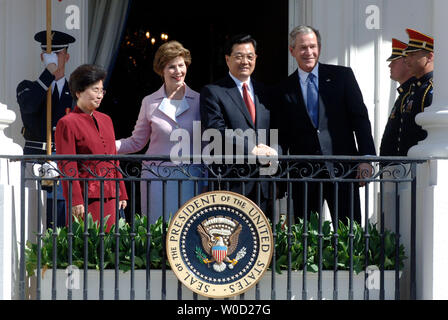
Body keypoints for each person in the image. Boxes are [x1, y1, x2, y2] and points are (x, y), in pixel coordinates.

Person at [273, 25, 376, 225]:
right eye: (303, 47)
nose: (309, 52)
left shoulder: (342, 77)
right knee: (306, 236)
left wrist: (366, 158)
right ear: (292, 50)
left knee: (349, 232)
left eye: (313, 46)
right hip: (303, 174)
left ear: (319, 47)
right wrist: (279, 176)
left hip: (343, 169)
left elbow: (360, 118)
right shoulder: (283, 89)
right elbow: (282, 135)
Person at [116, 41, 203, 225]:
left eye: (181, 65)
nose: (178, 71)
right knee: (157, 231)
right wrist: (107, 144)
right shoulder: (150, 102)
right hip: (156, 178)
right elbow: (137, 142)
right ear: (161, 70)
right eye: (172, 67)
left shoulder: (200, 100)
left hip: (191, 177)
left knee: (189, 232)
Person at [200, 34, 277, 216]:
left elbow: (279, 130)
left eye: (250, 56)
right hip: (230, 182)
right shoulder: (213, 92)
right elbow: (216, 131)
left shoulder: (266, 93)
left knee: (264, 242)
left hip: (264, 183)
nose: (245, 61)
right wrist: (253, 149)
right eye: (239, 56)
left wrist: (274, 153)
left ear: (256, 58)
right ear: (227, 59)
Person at [55, 64, 128, 232]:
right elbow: (67, 165)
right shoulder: (67, 122)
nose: (100, 95)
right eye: (95, 90)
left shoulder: (106, 120)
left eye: (102, 91)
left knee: (110, 247)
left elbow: (113, 159)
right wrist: (75, 200)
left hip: (111, 195)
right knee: (87, 247)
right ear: (79, 92)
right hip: (86, 197)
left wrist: (121, 192)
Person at [16, 30, 76, 228]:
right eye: (49, 54)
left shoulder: (75, 94)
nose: (54, 58)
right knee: (31, 218)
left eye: (57, 54)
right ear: (43, 57)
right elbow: (29, 106)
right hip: (35, 158)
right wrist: (47, 75)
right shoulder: (27, 87)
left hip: (62, 160)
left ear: (66, 56)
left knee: (59, 219)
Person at [400, 28, 434, 154]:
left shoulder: (431, 88)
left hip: (422, 164)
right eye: (407, 55)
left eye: (413, 55)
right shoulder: (414, 89)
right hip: (406, 165)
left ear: (429, 57)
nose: (407, 60)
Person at [380, 38, 416, 156]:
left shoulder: (414, 93)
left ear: (406, 62)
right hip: (395, 168)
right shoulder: (404, 94)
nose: (390, 65)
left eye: (394, 61)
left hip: (404, 167)